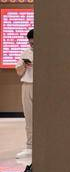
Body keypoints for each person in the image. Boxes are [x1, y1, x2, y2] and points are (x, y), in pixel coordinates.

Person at [15, 28, 33, 159]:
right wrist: (24, 65)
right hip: (27, 85)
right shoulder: (25, 53)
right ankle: (30, 147)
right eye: (30, 43)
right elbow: (19, 71)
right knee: (29, 117)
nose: (32, 45)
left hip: (42, 86)